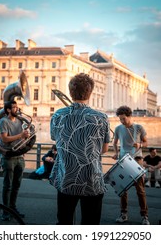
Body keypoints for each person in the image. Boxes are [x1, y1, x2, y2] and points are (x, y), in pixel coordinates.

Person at [49, 73, 110, 225]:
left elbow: (56, 140)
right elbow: (104, 149)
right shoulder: (101, 117)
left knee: (64, 223)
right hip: (91, 179)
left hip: (66, 178)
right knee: (90, 224)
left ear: (70, 92)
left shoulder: (57, 115)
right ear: (90, 93)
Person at [112, 105, 150, 225]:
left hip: (136, 159)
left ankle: (145, 216)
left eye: (124, 119)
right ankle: (123, 214)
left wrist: (140, 145)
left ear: (129, 116)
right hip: (123, 160)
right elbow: (115, 143)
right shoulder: (118, 128)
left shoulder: (138, 128)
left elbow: (146, 142)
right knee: (123, 189)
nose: (122, 121)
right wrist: (116, 153)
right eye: (120, 119)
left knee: (140, 190)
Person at [0, 100, 29, 221]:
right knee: (8, 186)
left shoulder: (20, 121)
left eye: (17, 107)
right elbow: (5, 138)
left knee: (16, 185)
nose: (17, 109)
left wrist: (26, 135)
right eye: (14, 107)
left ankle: (13, 208)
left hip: (20, 157)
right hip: (8, 157)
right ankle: (5, 212)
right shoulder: (3, 121)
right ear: (8, 110)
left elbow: (23, 136)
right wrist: (21, 135)